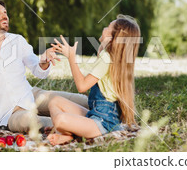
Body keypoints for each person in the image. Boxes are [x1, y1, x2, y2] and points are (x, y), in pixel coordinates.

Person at [0, 0, 88, 133]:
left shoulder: (17, 40)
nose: (5, 15)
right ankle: (91, 126)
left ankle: (103, 118)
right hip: (11, 113)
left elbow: (39, 71)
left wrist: (44, 61)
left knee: (83, 101)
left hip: (33, 95)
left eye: (5, 12)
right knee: (48, 122)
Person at [47, 14, 141, 145]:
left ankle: (69, 133)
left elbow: (82, 86)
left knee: (60, 120)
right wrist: (103, 44)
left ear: (113, 37)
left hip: (102, 124)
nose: (104, 28)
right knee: (55, 101)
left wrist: (71, 57)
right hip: (97, 116)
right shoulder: (112, 58)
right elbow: (102, 51)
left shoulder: (107, 58)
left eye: (108, 27)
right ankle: (69, 134)